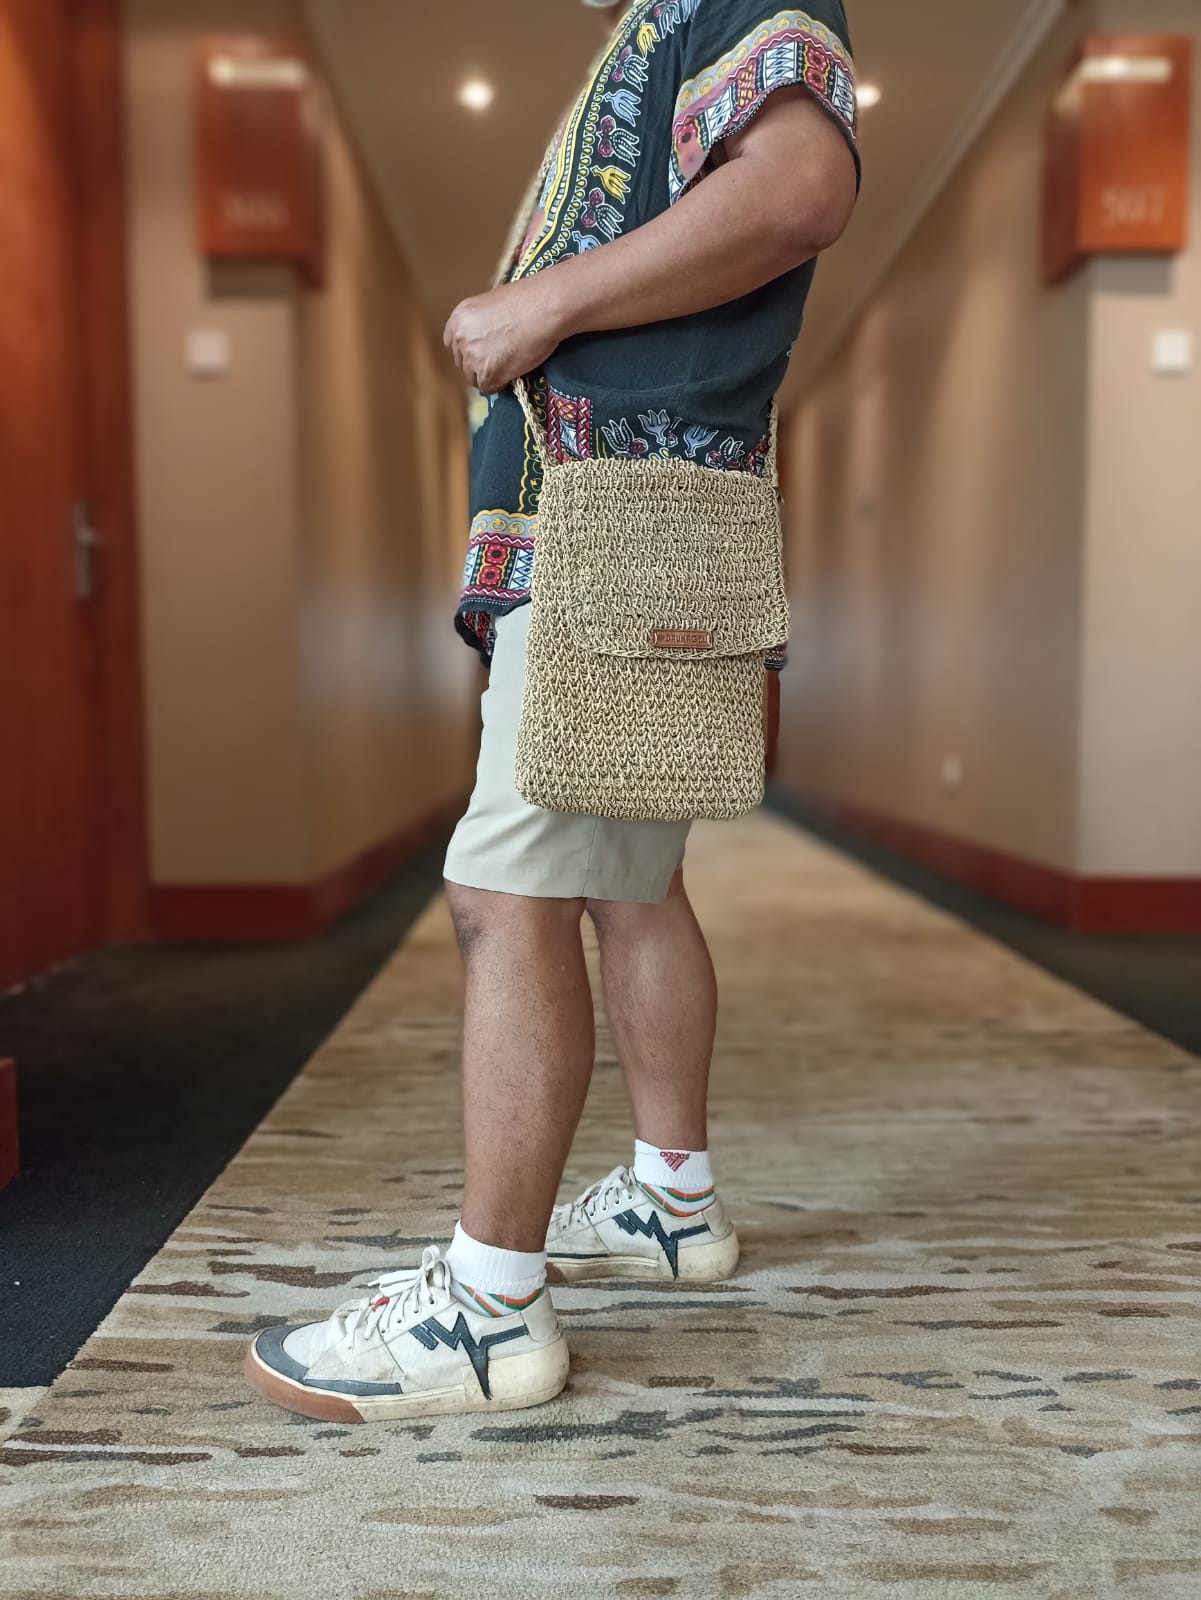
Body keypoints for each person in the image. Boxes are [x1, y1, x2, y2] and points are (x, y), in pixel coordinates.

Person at [245, 0, 860, 1423]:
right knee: (629, 884)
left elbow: (798, 188)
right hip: (630, 513)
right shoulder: (662, 20)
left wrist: (545, 303)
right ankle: (668, 1202)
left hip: (610, 518)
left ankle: (487, 1309)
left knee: (505, 891)